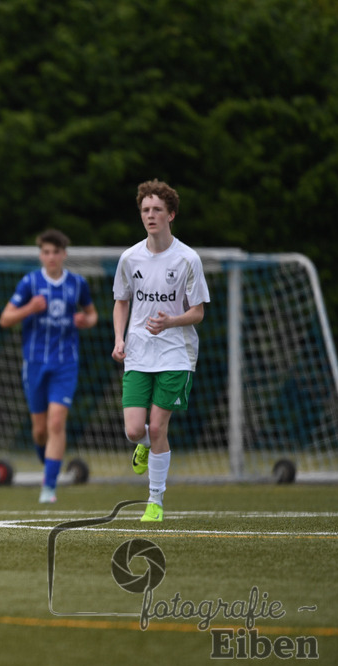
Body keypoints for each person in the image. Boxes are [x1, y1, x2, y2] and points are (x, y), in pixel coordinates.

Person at [112, 179, 209, 523]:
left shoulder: (187, 259)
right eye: (145, 210)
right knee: (134, 431)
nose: (150, 215)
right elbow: (121, 301)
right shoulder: (129, 258)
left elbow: (198, 312)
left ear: (171, 214)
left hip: (176, 353)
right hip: (139, 352)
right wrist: (119, 339)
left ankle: (155, 501)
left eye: (157, 210)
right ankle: (143, 446)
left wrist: (171, 321)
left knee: (156, 428)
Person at [0, 229, 97, 504]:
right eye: (46, 252)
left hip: (65, 364)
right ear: (41, 255)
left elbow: (92, 315)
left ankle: (49, 487)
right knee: (40, 430)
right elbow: (5, 319)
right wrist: (29, 308)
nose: (51, 257)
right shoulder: (30, 283)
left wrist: (85, 321)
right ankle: (49, 464)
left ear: (64, 254)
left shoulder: (77, 283)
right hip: (34, 364)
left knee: (56, 422)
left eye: (56, 252)